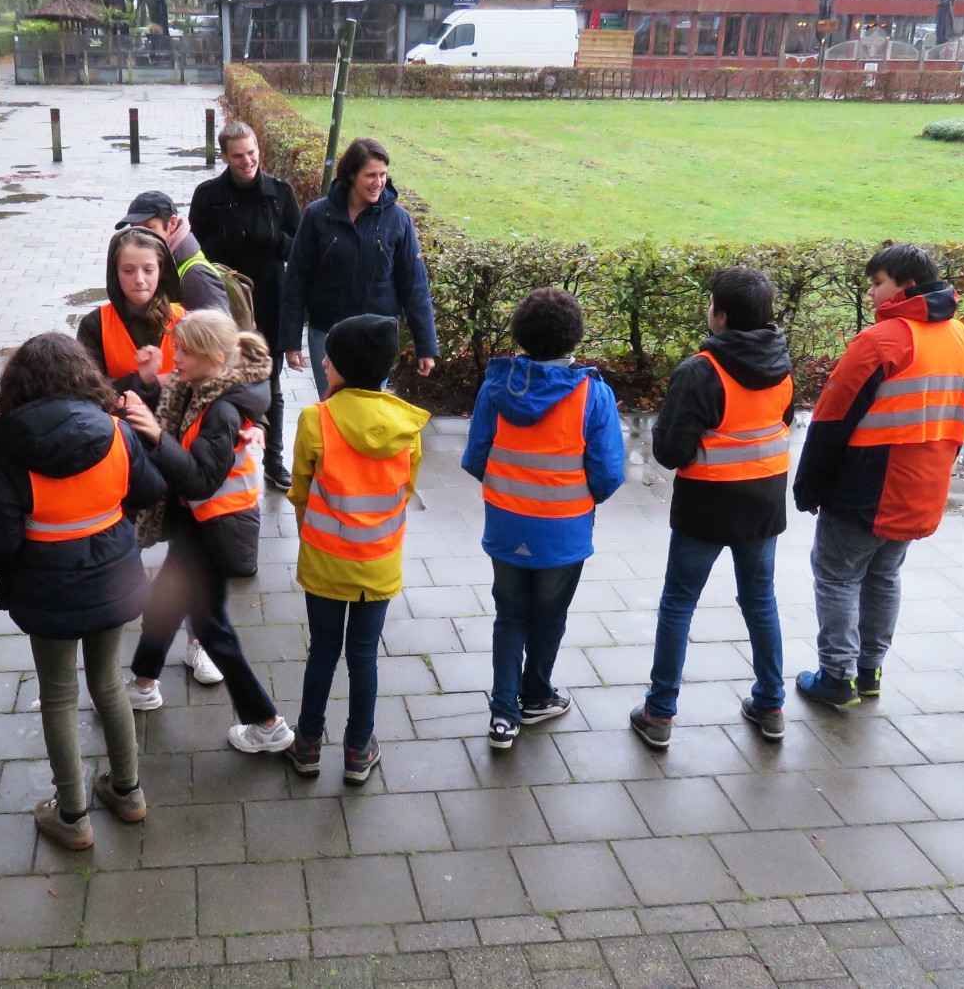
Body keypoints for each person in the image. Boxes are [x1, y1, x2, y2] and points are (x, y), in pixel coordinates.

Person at [0, 333, 164, 849]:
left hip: (47, 590)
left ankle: (73, 814)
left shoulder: (12, 450)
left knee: (58, 696)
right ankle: (127, 793)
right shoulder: (116, 432)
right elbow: (149, 490)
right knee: (108, 683)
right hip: (115, 579)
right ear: (84, 376)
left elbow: (3, 539)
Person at [791, 244, 964, 708]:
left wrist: (808, 487)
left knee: (837, 577)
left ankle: (836, 678)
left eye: (878, 284)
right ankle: (869, 671)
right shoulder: (963, 339)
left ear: (906, 286)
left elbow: (831, 421)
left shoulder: (882, 341)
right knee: (885, 577)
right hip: (923, 486)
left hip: (864, 490)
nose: (873, 294)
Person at [631, 268, 795, 749]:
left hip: (706, 507)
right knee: (760, 602)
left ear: (721, 316)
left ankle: (659, 713)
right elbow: (781, 420)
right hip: (762, 505)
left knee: (679, 604)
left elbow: (671, 452)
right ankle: (771, 704)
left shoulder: (700, 371)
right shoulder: (782, 364)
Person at [460, 288, 624, 751]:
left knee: (509, 614)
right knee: (550, 615)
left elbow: (476, 456)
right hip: (564, 530)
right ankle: (537, 694)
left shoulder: (496, 387)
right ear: (574, 338)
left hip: (507, 522)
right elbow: (609, 472)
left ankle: (503, 714)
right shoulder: (593, 394)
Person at [120, 311, 291, 753]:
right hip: (201, 523)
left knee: (211, 626)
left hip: (215, 527)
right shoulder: (209, 387)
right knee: (166, 600)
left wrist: (157, 437)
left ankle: (267, 723)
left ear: (214, 357)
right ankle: (142, 683)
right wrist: (150, 384)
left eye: (185, 351)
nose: (176, 357)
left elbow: (199, 479)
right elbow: (176, 413)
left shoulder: (223, 409)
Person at [286, 315, 428, 786]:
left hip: (326, 563)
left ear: (345, 366)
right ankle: (357, 749)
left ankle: (307, 744)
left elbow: (300, 490)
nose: (323, 360)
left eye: (331, 354)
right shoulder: (407, 426)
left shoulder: (315, 419)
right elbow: (405, 490)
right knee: (364, 656)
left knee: (322, 652)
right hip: (378, 566)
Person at [189, 123, 303, 490]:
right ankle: (223, 459)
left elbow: (297, 250)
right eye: (238, 155)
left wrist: (272, 238)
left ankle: (273, 460)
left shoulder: (280, 193)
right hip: (225, 304)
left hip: (270, 300)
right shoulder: (208, 195)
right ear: (224, 156)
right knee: (220, 381)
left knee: (270, 383)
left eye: (251, 152)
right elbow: (195, 254)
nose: (247, 160)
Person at [279, 137, 439, 398]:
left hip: (376, 338)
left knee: (369, 411)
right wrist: (290, 340)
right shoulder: (318, 215)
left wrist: (426, 345)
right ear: (351, 174)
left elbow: (414, 284)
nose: (378, 183)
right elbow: (296, 279)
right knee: (331, 408)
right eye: (371, 175)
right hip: (326, 334)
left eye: (383, 175)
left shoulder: (398, 219)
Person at [79, 227, 186, 406]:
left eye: (148, 270)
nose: (139, 279)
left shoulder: (184, 320)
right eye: (128, 271)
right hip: (119, 426)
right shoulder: (94, 325)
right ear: (116, 274)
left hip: (174, 425)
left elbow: (210, 379)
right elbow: (87, 392)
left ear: (160, 271)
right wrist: (142, 380)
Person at [115, 190, 229, 315]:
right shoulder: (160, 262)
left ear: (172, 224)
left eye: (149, 229)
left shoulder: (196, 276)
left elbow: (220, 331)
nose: (141, 237)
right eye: (136, 230)